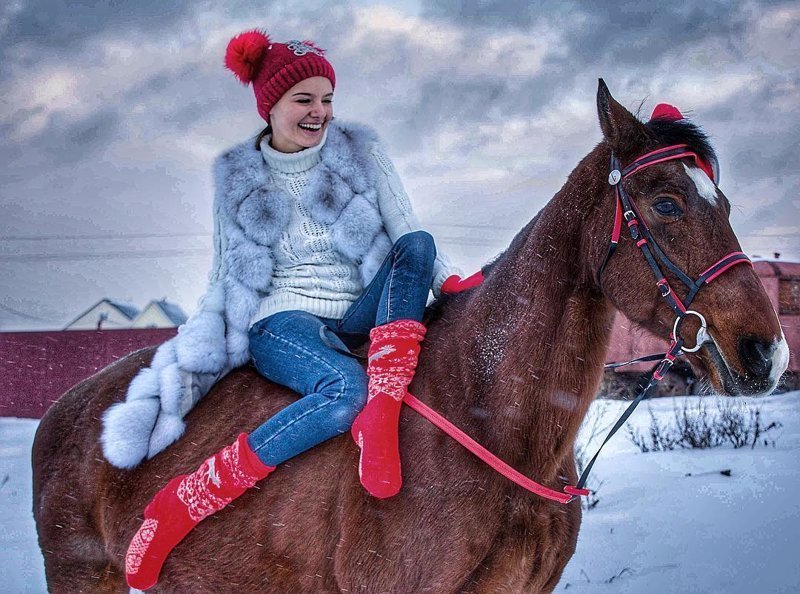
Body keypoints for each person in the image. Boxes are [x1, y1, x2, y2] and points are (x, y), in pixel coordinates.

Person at [119, 29, 475, 590]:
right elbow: (224, 273)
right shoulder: (239, 176)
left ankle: (381, 414)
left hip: (357, 309)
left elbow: (404, 225)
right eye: (304, 100)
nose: (320, 112)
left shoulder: (362, 153)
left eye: (327, 99)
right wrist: (195, 345)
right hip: (282, 320)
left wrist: (451, 283)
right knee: (340, 392)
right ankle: (185, 500)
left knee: (420, 245)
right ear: (271, 105)